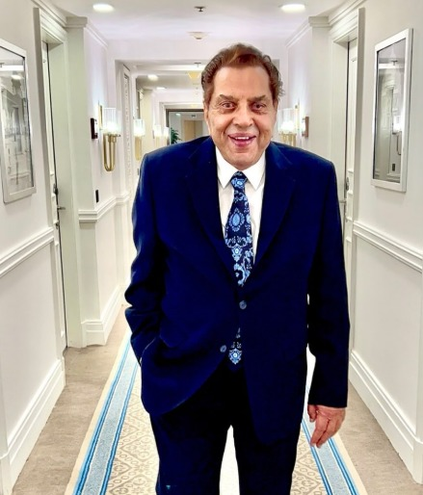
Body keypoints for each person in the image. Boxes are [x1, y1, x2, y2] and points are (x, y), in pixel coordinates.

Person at [125, 43, 350, 495]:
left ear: (274, 109)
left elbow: (329, 293)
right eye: (228, 104)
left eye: (257, 105)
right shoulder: (163, 173)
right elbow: (144, 285)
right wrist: (151, 355)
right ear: (207, 109)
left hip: (274, 380)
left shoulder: (313, 179)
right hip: (184, 381)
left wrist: (330, 386)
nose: (243, 120)